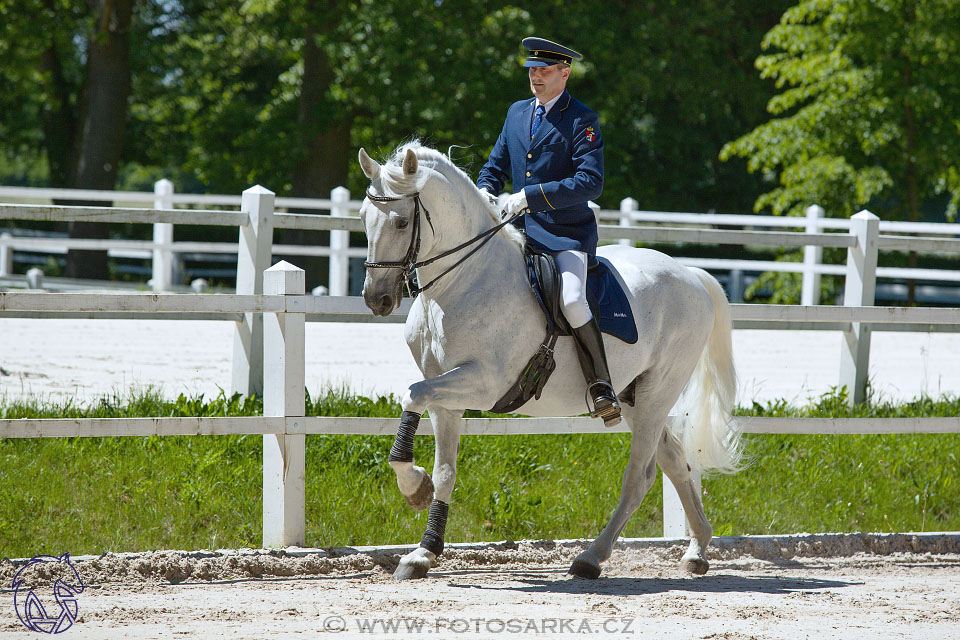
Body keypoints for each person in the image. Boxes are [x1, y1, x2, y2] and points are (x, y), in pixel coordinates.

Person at [477, 37, 620, 426]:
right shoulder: (516, 113)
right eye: (531, 70)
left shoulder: (582, 120)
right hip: (517, 231)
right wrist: (483, 193)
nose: (535, 77)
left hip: (564, 234)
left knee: (573, 299)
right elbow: (495, 166)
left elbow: (590, 183)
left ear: (564, 72)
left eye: (543, 70)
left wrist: (530, 196)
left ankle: (601, 386)